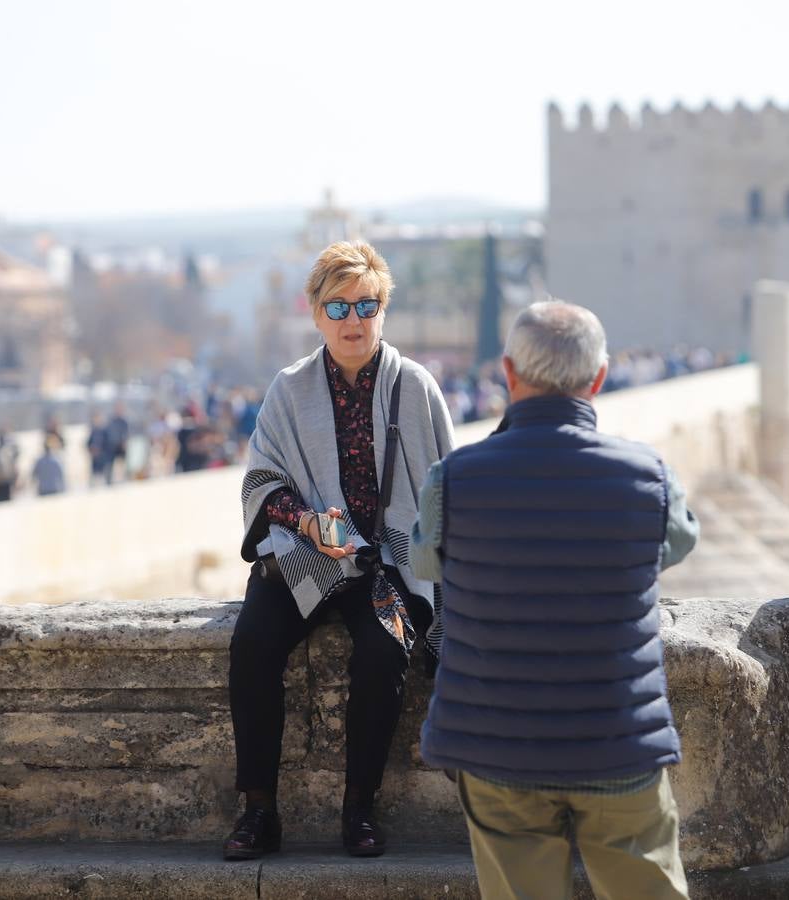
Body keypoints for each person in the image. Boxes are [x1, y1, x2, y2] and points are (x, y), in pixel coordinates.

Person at [414, 300, 700, 900]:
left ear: (508, 373)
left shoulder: (453, 478)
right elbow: (674, 544)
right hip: (617, 740)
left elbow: (424, 562)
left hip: (496, 744)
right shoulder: (647, 475)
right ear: (598, 378)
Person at [226, 240, 454, 861]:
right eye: (339, 308)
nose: (353, 320)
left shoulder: (416, 387)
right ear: (316, 313)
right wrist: (306, 521)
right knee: (251, 645)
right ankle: (258, 812)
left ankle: (359, 810)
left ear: (383, 310)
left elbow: (443, 490)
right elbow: (259, 481)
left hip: (385, 562)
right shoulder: (289, 388)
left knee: (385, 651)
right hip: (304, 555)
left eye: (366, 305)